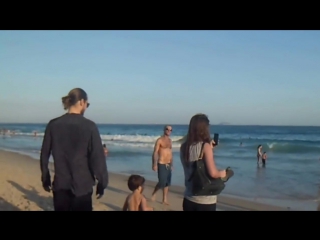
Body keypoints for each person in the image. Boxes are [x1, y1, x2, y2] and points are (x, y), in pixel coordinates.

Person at [40, 88, 108, 211]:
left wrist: (45, 177)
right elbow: (97, 157)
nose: (86, 107)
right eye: (87, 104)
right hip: (82, 186)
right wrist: (102, 182)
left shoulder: (53, 124)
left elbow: (44, 154)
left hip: (61, 184)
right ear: (82, 102)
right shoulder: (90, 126)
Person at [180, 114, 226, 211]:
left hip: (188, 197)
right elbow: (213, 173)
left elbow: (194, 165)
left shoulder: (184, 146)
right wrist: (224, 173)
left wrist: (209, 149)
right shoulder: (205, 147)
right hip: (204, 200)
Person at [151, 125, 173, 205]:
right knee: (161, 182)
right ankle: (154, 192)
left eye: (170, 130)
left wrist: (172, 164)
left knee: (167, 183)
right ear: (164, 130)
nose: (168, 131)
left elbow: (171, 153)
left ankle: (164, 199)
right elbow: (155, 152)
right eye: (167, 129)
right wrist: (154, 164)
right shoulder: (159, 140)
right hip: (161, 163)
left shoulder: (170, 141)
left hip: (168, 164)